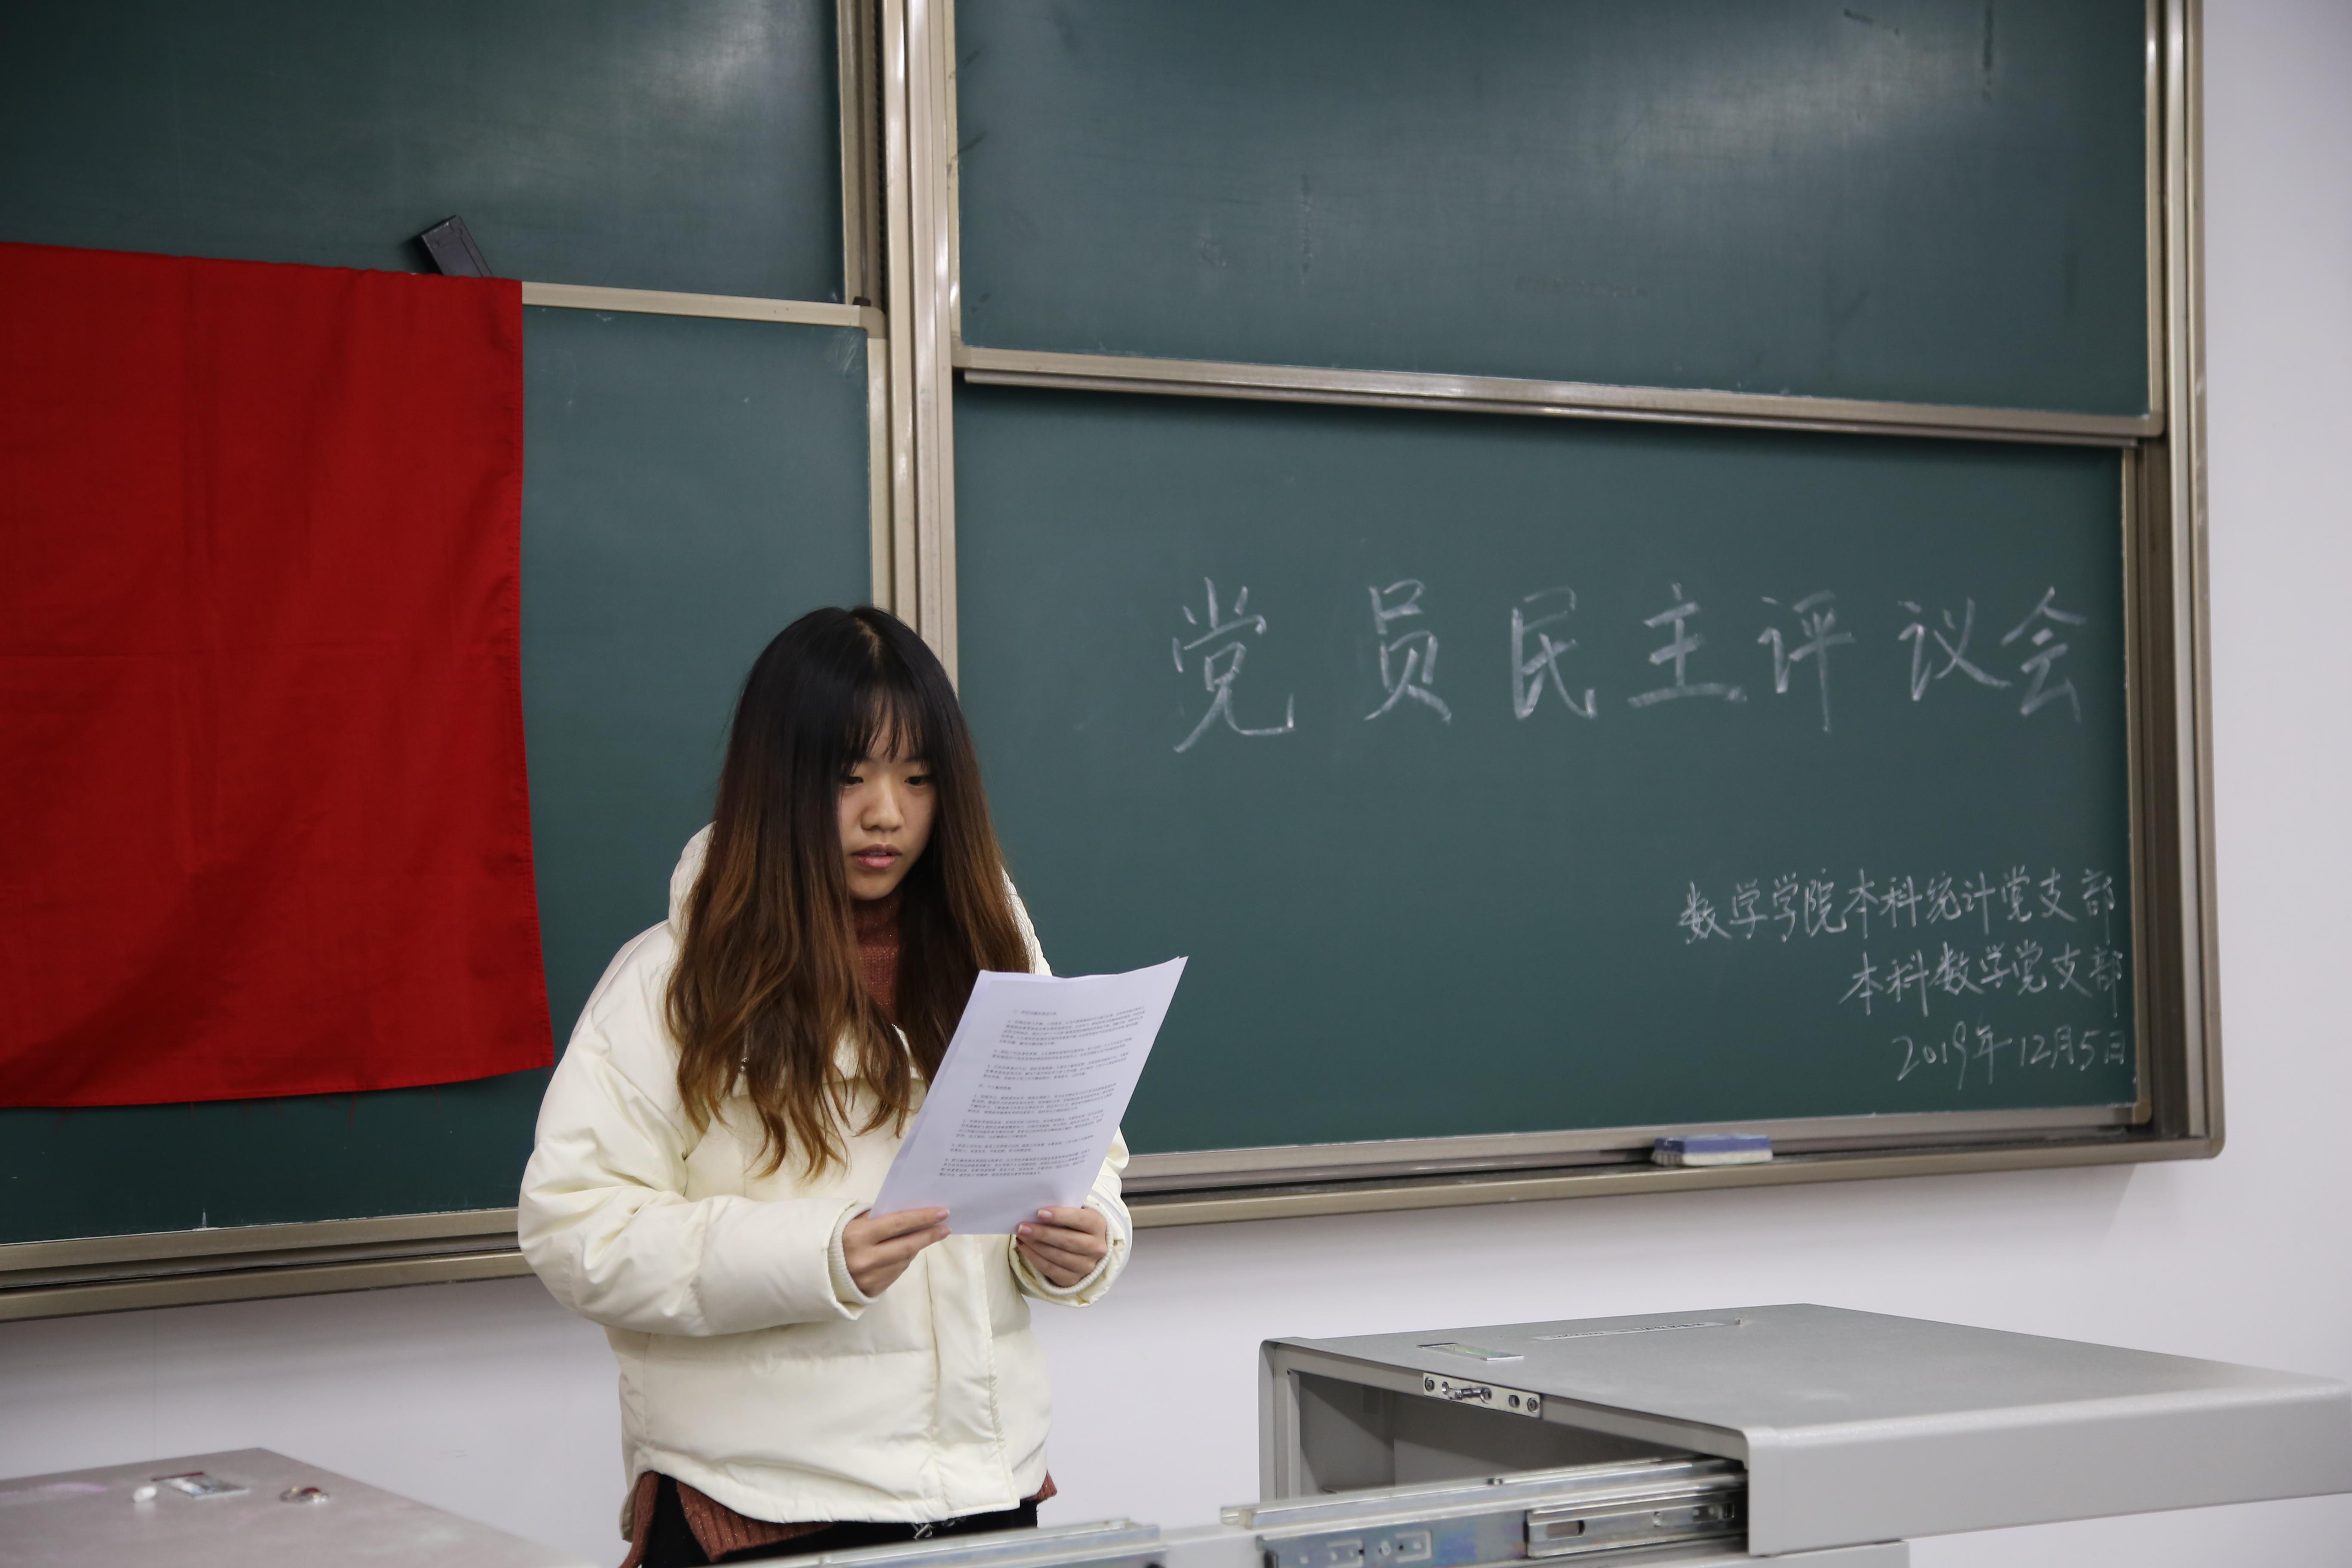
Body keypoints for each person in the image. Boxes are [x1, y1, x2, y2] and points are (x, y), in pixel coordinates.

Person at [519, 606, 1130, 1568]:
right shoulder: (674, 982)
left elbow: (1084, 1153)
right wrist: (816, 1256)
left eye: (918, 779)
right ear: (779, 781)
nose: (887, 813)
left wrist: (1086, 1239)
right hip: (760, 1506)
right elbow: (575, 1228)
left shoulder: (997, 956)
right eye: (849, 777)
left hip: (985, 1492)